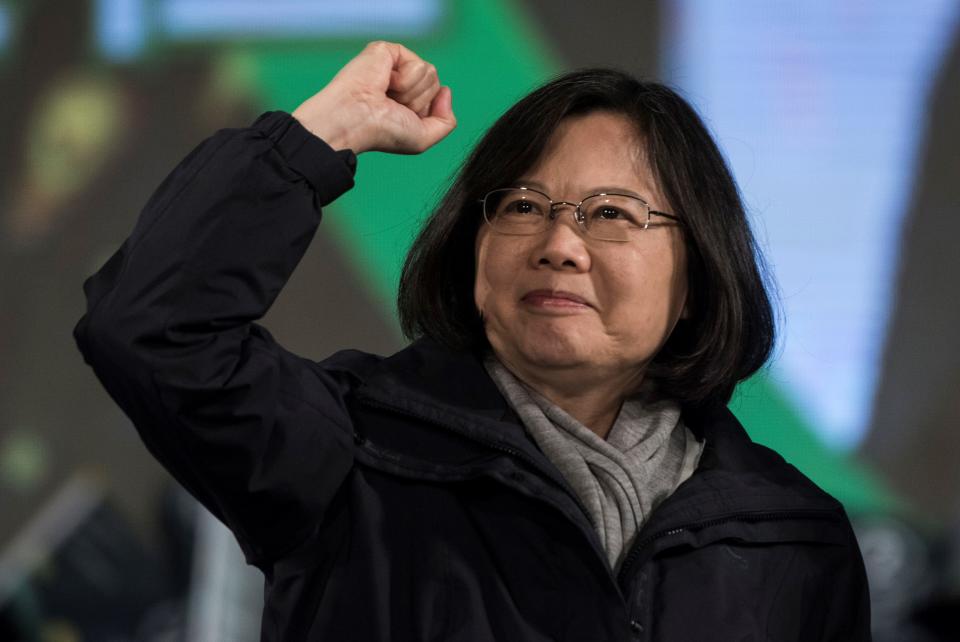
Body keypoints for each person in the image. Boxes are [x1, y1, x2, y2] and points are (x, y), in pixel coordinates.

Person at [74, 41, 871, 641]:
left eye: (612, 214)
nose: (560, 243)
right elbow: (150, 327)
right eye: (522, 205)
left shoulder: (791, 536)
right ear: (473, 244)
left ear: (696, 280)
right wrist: (318, 134)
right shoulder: (349, 452)